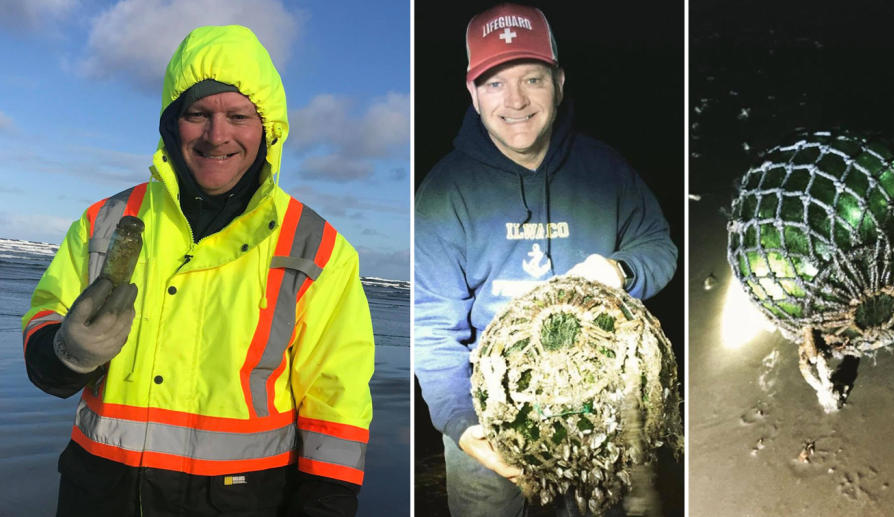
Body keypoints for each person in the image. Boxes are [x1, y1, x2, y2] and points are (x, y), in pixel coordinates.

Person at [21, 25, 374, 517]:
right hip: (98, 493)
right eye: (197, 114)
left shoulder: (318, 247)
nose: (217, 135)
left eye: (238, 116)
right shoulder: (104, 223)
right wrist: (66, 351)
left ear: (268, 128)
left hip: (242, 501)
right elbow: (43, 322)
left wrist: (326, 503)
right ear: (172, 123)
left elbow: (337, 397)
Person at [414, 3, 678, 516]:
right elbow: (430, 327)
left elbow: (659, 246)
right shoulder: (443, 194)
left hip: (598, 412)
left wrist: (621, 271)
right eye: (494, 83)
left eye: (532, 78)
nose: (514, 100)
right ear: (472, 93)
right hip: (488, 415)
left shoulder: (606, 169)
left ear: (558, 81)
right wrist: (463, 424)